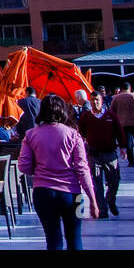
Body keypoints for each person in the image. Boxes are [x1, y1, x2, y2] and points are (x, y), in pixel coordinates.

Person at [18, 93, 98, 250]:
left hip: (43, 193)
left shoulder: (30, 135)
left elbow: (24, 167)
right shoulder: (73, 135)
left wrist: (40, 165)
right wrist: (92, 199)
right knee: (75, 237)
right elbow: (82, 169)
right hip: (73, 194)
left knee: (53, 239)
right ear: (62, 111)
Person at [78, 90, 123, 218]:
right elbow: (80, 133)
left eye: (97, 99)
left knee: (114, 181)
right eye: (92, 100)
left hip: (110, 153)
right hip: (94, 154)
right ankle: (102, 208)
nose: (95, 102)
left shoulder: (110, 115)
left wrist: (123, 147)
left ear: (102, 101)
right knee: (97, 183)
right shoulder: (86, 116)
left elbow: (119, 131)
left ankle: (110, 199)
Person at [110, 82, 134, 167]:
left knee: (128, 144)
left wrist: (113, 124)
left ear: (122, 88)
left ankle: (131, 161)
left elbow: (112, 111)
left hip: (123, 124)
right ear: (129, 88)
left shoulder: (116, 98)